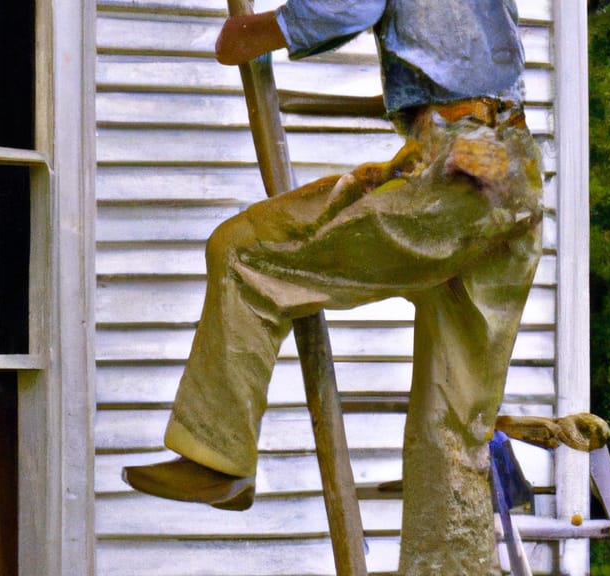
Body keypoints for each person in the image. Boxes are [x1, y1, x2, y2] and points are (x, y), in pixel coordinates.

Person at [122, 1, 542, 573]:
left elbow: (348, 5)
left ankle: (217, 455)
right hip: (512, 172)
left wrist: (255, 31)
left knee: (244, 252)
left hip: (458, 171)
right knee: (453, 426)